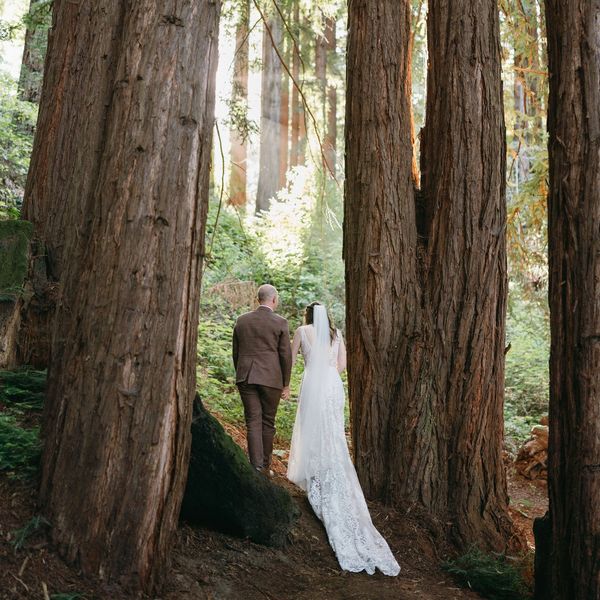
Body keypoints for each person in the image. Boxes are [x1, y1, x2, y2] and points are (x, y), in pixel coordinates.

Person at [287, 302, 400, 576]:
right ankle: (329, 466)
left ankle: (314, 469)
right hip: (331, 385)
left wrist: (290, 383)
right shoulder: (337, 336)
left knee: (312, 428)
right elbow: (342, 366)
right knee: (333, 432)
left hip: (313, 383)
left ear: (308, 316)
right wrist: (326, 377)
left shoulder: (302, 331)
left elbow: (290, 360)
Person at [232, 284, 292, 474]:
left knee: (252, 421)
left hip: (246, 377)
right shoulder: (280, 322)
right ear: (274, 299)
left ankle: (255, 467)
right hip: (271, 378)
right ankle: (265, 466)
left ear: (258, 299)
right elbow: (285, 356)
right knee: (267, 422)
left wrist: (240, 373)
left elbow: (236, 352)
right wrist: (286, 383)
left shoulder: (242, 321)